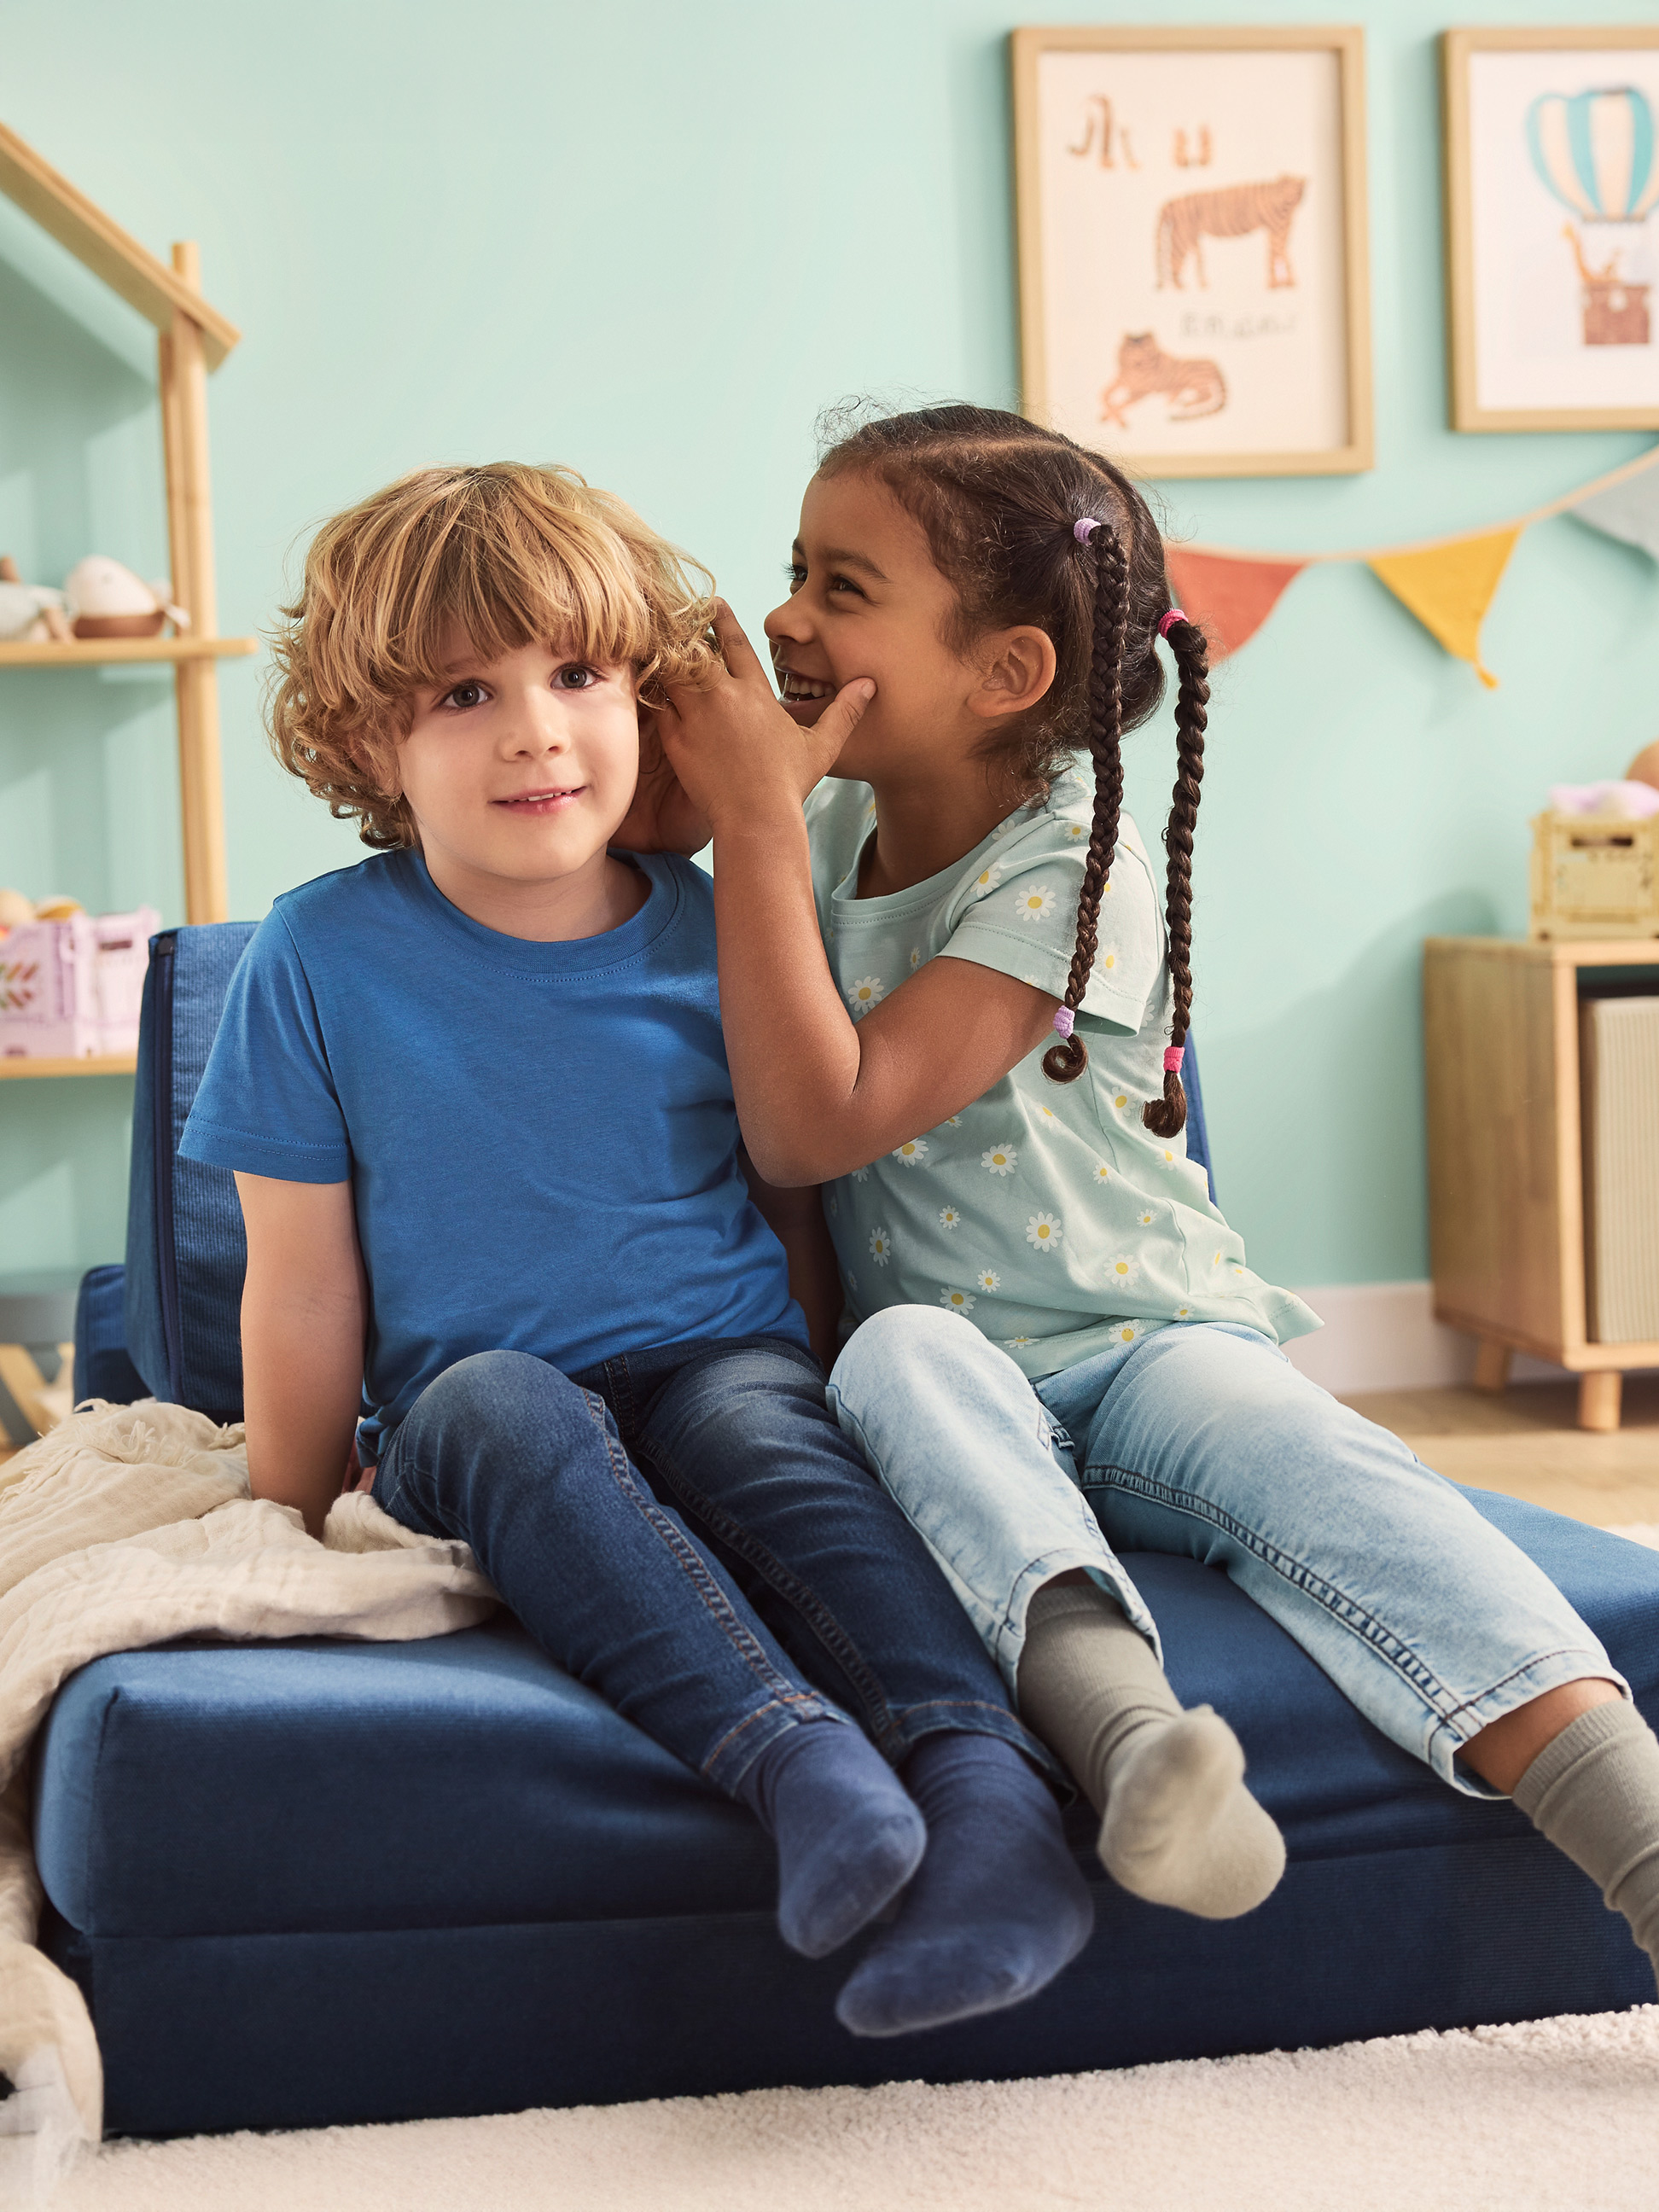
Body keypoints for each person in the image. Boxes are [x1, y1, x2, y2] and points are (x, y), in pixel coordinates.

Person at [655, 403, 1659, 1982]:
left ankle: (1642, 1842)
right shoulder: (826, 819)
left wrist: (755, 823)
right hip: (953, 1363)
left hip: (1149, 1339)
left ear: (1007, 673)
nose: (787, 616)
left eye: (842, 589)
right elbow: (626, 810)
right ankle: (1140, 1760)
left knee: (1326, 1467)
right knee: (897, 1358)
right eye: (795, 570)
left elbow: (814, 1127)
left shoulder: (1069, 867)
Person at [178, 460, 1096, 2040]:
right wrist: (285, 1515)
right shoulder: (315, 955)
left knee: (771, 1438)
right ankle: (801, 1769)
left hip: (720, 1356)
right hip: (477, 1402)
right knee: (500, 1403)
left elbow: (792, 1194)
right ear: (371, 744)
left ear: (653, 708)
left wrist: (815, 1370)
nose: (536, 731)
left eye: (580, 677)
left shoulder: (723, 919)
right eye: (466, 693)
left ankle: (991, 1808)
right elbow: (304, 1277)